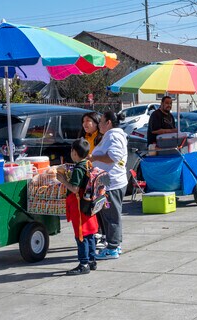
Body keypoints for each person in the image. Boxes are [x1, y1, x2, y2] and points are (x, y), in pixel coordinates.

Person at [56, 139, 98, 275]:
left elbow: (74, 189)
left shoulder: (79, 168)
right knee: (90, 234)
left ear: (74, 152)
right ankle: (92, 260)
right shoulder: (88, 164)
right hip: (89, 205)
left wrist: (63, 180)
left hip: (79, 206)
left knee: (81, 236)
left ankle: (83, 263)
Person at [93, 111, 128, 260]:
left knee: (111, 216)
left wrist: (93, 157)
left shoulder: (113, 135)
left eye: (101, 121)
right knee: (109, 216)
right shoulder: (111, 135)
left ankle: (112, 248)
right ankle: (114, 244)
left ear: (108, 123)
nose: (98, 124)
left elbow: (112, 157)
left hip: (112, 183)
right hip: (109, 182)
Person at [78, 111, 108, 247]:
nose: (85, 124)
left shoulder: (102, 138)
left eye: (88, 121)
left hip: (100, 177)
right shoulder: (82, 137)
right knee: (90, 206)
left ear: (96, 123)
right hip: (87, 176)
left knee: (102, 206)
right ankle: (95, 233)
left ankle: (104, 234)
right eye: (83, 121)